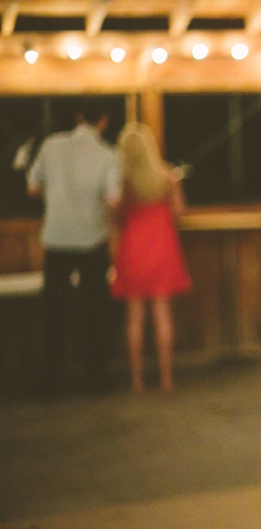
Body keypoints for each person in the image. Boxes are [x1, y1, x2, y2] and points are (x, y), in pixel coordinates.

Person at [27, 99, 121, 396]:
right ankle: (97, 378)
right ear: (103, 121)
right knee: (95, 312)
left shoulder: (52, 146)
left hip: (56, 239)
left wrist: (56, 199)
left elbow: (32, 187)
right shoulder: (108, 155)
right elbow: (113, 200)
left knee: (54, 312)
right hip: (92, 242)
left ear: (79, 116)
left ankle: (51, 381)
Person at [110, 122, 191, 393]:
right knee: (162, 314)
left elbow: (116, 214)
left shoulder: (123, 181)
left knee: (134, 318)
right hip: (162, 246)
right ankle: (167, 378)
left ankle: (137, 380)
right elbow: (179, 212)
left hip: (132, 249)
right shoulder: (167, 177)